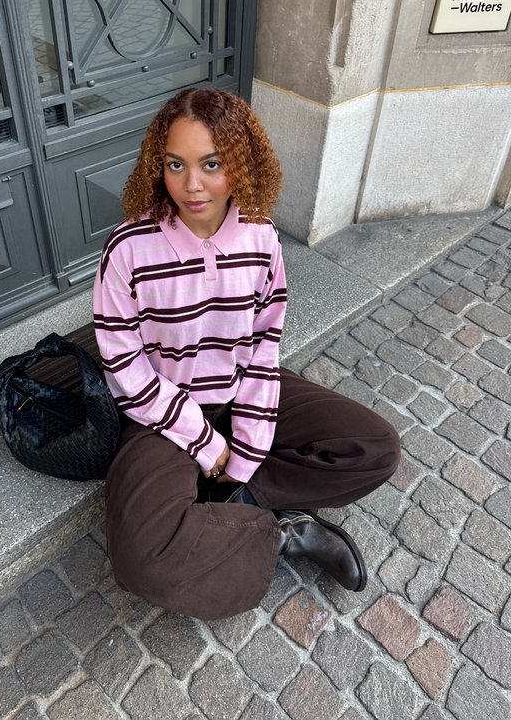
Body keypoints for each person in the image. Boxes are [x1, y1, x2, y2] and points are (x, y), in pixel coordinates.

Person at [93, 87, 400, 620]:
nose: (192, 185)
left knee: (375, 448)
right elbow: (124, 364)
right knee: (140, 561)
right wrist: (203, 443)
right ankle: (281, 533)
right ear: (156, 165)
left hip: (240, 387)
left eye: (212, 164)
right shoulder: (129, 248)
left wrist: (248, 450)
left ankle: (242, 498)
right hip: (160, 412)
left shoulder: (261, 238)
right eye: (175, 164)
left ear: (240, 163)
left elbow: (264, 345)